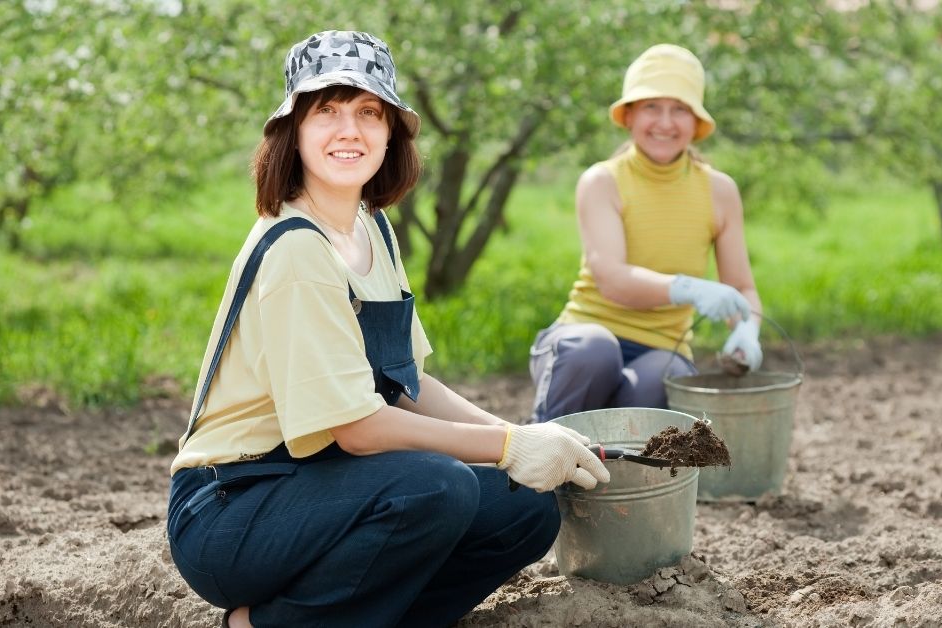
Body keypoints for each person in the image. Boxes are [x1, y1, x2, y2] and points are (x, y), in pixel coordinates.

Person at [166, 30, 610, 628]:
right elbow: (356, 428)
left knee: (522, 509)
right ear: (292, 131)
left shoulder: (371, 227)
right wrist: (506, 447)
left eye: (369, 112)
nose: (349, 130)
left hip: (318, 482)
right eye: (326, 110)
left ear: (389, 134)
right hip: (235, 507)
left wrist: (523, 436)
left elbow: (407, 383)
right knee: (435, 487)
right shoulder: (297, 249)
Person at [529, 43, 764, 423]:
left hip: (663, 348)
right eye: (651, 107)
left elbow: (742, 286)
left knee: (661, 380)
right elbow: (612, 279)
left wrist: (748, 331)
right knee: (595, 351)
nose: (665, 123)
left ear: (697, 121)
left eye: (680, 109)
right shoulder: (603, 180)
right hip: (584, 339)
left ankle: (622, 475)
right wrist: (689, 288)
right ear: (630, 115)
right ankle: (539, 462)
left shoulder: (719, 192)